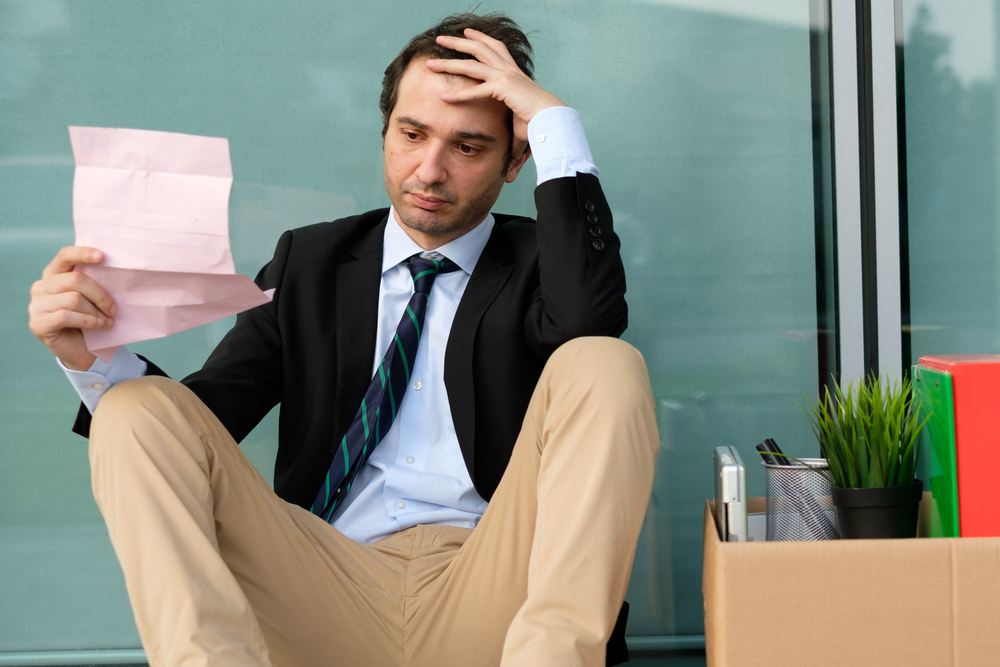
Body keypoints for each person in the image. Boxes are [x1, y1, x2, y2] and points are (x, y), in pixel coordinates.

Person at [28, 13, 658, 667]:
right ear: (385, 130)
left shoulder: (543, 264)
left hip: (496, 589)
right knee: (132, 410)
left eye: (467, 147)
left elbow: (587, 322)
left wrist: (556, 125)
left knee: (604, 360)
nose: (430, 169)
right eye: (412, 134)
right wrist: (90, 358)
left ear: (514, 160)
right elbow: (194, 430)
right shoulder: (311, 260)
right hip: (323, 586)